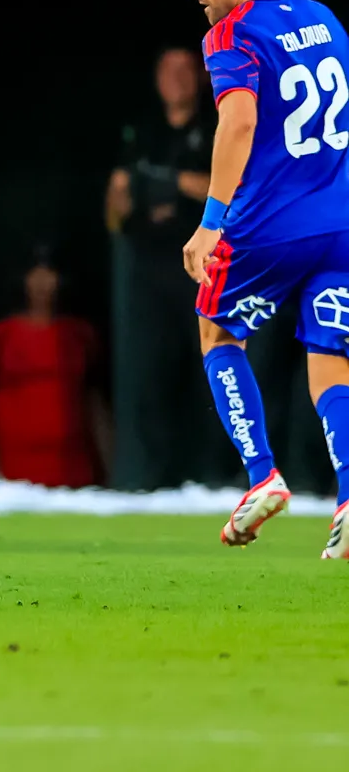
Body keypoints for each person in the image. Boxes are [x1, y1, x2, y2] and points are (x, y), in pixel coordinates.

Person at [176, 0, 349, 559]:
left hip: (271, 225)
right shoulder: (324, 16)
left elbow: (239, 124)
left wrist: (211, 222)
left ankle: (262, 476)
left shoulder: (231, 35)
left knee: (218, 330)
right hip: (341, 222)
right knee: (330, 355)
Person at [109, 47, 222, 487]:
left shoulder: (214, 127)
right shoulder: (142, 132)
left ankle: (212, 474)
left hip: (205, 270)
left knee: (209, 369)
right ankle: (152, 477)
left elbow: (226, 186)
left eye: (184, 70)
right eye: (167, 70)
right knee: (151, 373)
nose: (176, 79)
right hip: (149, 270)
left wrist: (169, 182)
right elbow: (118, 199)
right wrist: (129, 196)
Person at [0, 255, 108, 488]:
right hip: (15, 474)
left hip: (73, 472)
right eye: (34, 275)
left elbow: (94, 407)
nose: (42, 283)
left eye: (49, 274)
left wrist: (108, 468)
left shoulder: (81, 335)